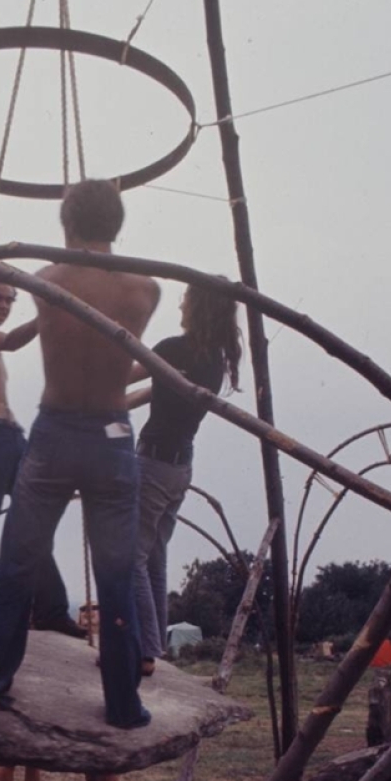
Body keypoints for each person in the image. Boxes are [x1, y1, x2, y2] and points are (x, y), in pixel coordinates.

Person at [0, 179, 160, 728]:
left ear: (67, 225)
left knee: (18, 561)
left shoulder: (46, 280)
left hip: (55, 436)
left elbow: (19, 330)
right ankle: (123, 703)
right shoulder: (146, 288)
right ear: (117, 225)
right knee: (116, 574)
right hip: (113, 436)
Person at [0, 279, 83, 637]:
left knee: (33, 520)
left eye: (9, 300)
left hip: (12, 436)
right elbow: (11, 341)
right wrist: (48, 311)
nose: (3, 305)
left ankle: (50, 609)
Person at [128, 281, 241, 674]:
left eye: (187, 298)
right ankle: (154, 643)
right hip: (180, 467)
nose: (181, 303)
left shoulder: (174, 348)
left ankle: (143, 650)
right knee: (154, 555)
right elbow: (157, 388)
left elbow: (122, 377)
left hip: (155, 462)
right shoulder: (213, 360)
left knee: (132, 556)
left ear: (198, 307)